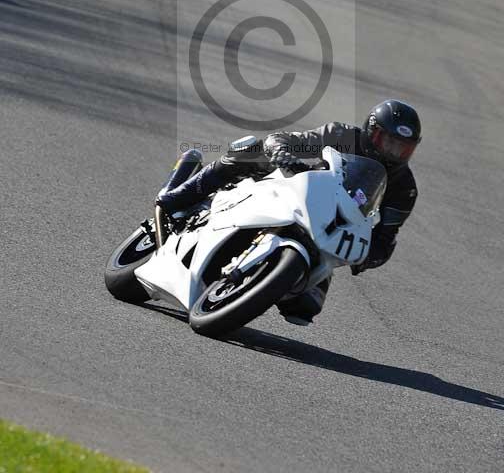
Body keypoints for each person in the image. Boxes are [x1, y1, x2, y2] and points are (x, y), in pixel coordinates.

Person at [157, 100, 421, 325]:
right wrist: (282, 152)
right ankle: (179, 195)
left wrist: (364, 257)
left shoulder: (404, 189)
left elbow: (385, 239)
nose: (393, 152)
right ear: (371, 130)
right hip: (297, 191)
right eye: (387, 142)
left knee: (305, 307)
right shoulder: (342, 136)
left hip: (327, 232)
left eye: (402, 148)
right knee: (252, 152)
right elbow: (285, 140)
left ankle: (252, 282)